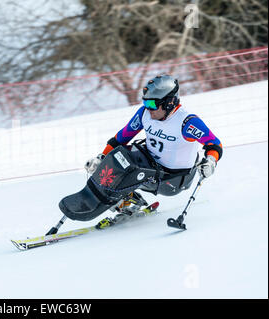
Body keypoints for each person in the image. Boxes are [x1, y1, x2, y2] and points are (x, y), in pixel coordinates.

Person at [84, 74, 223, 218]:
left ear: (169, 102)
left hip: (172, 179)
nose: (148, 109)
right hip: (150, 163)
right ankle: (125, 201)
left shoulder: (187, 122)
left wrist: (211, 161)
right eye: (145, 103)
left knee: (127, 172)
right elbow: (121, 138)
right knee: (118, 156)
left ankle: (121, 200)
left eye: (152, 104)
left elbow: (214, 144)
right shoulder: (144, 113)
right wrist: (102, 157)